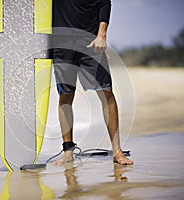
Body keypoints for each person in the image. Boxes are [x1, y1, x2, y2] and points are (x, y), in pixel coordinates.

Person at [51, 0, 133, 165]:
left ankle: (117, 151)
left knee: (106, 92)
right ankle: (68, 151)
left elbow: (104, 2)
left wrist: (102, 35)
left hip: (91, 41)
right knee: (65, 95)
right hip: (61, 42)